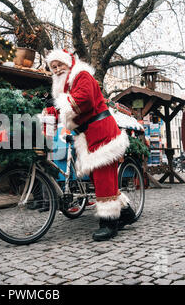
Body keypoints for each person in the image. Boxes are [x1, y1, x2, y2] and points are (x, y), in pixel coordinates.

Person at [43, 49, 136, 241]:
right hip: (88, 136)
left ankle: (109, 223)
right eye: (53, 67)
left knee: (103, 178)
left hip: (102, 133)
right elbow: (64, 108)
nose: (57, 69)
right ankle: (126, 213)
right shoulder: (66, 87)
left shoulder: (82, 75)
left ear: (69, 63)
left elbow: (84, 100)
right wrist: (46, 112)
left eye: (60, 64)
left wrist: (60, 105)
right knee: (99, 179)